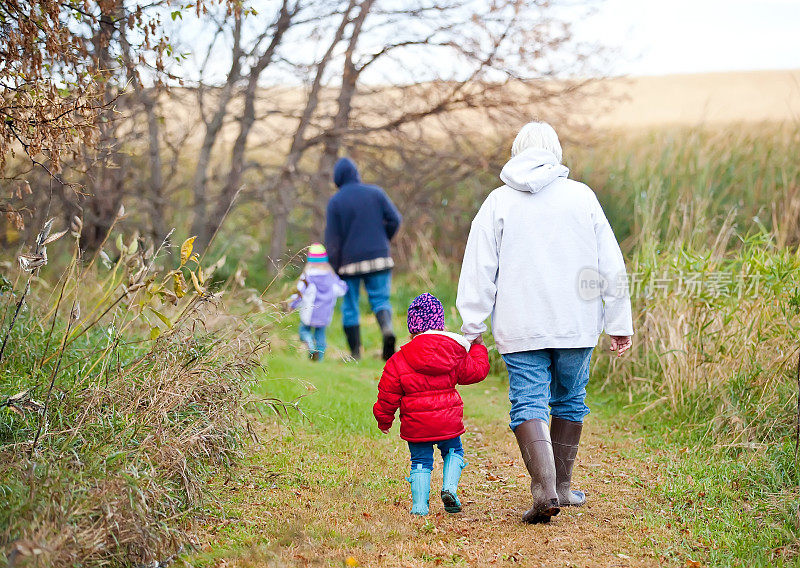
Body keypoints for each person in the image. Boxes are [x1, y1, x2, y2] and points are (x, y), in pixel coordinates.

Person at [456, 121, 633, 524]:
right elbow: (610, 263)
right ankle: (563, 488)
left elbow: (479, 268)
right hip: (576, 322)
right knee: (571, 399)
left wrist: (471, 326)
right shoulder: (582, 197)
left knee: (529, 402)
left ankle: (545, 490)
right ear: (555, 151)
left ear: (517, 152)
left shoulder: (498, 202)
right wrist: (618, 319)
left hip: (520, 325)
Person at [373, 293, 490, 516]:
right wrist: (478, 347)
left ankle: (419, 506)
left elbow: (387, 394)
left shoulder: (399, 360)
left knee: (420, 461)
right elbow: (477, 371)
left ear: (411, 330)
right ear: (441, 326)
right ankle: (449, 488)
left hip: (416, 425)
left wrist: (383, 419)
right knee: (454, 450)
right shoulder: (454, 352)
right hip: (448, 423)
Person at [324, 157, 402, 361]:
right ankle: (387, 330)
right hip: (379, 259)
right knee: (380, 300)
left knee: (350, 305)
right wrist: (384, 240)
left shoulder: (336, 201)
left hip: (349, 264)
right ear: (356, 174)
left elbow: (332, 239)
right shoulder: (376, 193)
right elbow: (395, 219)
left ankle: (355, 353)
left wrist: (335, 265)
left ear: (338, 179)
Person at [287, 243, 348, 361]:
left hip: (310, 312)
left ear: (310, 260)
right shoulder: (331, 276)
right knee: (320, 335)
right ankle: (319, 360)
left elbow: (299, 293)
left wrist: (291, 305)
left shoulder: (308, 276)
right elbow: (342, 289)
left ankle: (310, 344)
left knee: (303, 331)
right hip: (325, 313)